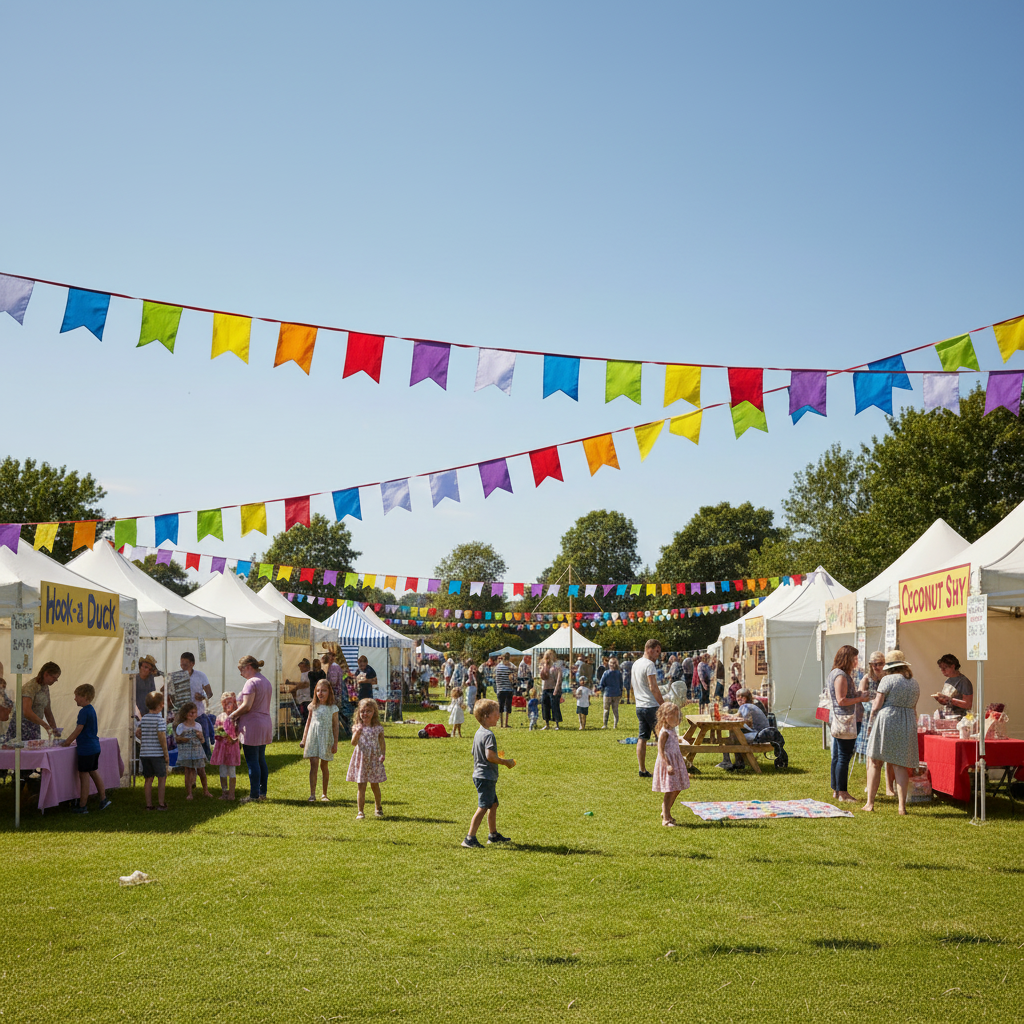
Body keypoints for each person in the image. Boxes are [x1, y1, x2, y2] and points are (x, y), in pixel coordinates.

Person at [863, 650, 921, 815]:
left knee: (875, 761)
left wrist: (871, 719)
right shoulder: (914, 683)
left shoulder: (887, 679)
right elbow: (914, 708)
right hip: (907, 720)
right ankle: (902, 807)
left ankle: (870, 803)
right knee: (900, 765)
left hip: (888, 719)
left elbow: (876, 705)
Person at [461, 698, 515, 848]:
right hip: (486, 777)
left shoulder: (479, 733)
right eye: (495, 713)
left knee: (493, 804)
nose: (498, 716)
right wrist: (505, 761)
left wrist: (497, 757)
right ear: (486, 716)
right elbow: (490, 757)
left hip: (480, 775)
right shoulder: (489, 735)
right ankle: (469, 838)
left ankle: (493, 835)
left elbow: (475, 753)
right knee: (483, 806)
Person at [827, 645, 872, 803]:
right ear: (847, 659)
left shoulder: (837, 674)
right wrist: (860, 698)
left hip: (842, 720)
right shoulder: (841, 676)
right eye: (854, 658)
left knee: (838, 756)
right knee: (843, 757)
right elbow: (842, 700)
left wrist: (859, 694)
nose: (856, 662)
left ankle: (837, 790)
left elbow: (845, 696)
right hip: (846, 721)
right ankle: (843, 793)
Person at [229, 656, 274, 804]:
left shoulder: (251, 682)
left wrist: (233, 715)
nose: (241, 674)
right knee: (261, 759)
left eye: (241, 670)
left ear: (248, 666)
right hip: (265, 723)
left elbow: (247, 706)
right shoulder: (266, 681)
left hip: (252, 725)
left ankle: (254, 795)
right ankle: (262, 792)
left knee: (252, 760)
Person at [62, 683, 111, 814]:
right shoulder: (91, 710)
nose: (75, 699)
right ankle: (103, 799)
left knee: (84, 776)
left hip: (86, 749)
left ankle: (82, 805)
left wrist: (67, 742)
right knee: (94, 772)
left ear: (85, 697)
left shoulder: (83, 711)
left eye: (77, 696)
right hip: (94, 747)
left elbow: (79, 729)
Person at [347, 697, 386, 819]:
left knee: (375, 784)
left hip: (374, 759)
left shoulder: (377, 728)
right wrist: (357, 733)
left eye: (368, 711)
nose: (365, 714)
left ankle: (378, 807)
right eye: (363, 711)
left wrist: (383, 754)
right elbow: (353, 743)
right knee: (361, 785)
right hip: (361, 758)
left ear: (374, 712)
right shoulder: (357, 727)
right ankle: (360, 811)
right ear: (359, 712)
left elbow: (382, 742)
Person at [652, 702, 690, 825]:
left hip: (676, 760)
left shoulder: (671, 729)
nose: (677, 719)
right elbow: (661, 750)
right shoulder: (664, 732)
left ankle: (665, 810)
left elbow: (673, 739)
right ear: (665, 717)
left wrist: (680, 739)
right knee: (670, 789)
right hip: (668, 762)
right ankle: (666, 818)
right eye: (674, 716)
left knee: (677, 788)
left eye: (678, 715)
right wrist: (667, 764)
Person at [301, 679, 339, 802]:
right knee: (313, 764)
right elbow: (308, 722)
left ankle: (324, 794)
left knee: (324, 765)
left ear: (329, 692)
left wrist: (335, 743)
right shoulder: (313, 706)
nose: (320, 693)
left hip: (326, 738)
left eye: (323, 690)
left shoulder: (332, 708)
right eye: (318, 690)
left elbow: (335, 726)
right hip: (313, 737)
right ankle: (312, 794)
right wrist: (304, 739)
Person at [633, 639, 666, 777]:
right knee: (662, 737)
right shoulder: (649, 664)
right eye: (657, 651)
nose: (658, 654)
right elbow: (653, 687)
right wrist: (664, 705)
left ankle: (642, 770)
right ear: (649, 649)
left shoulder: (636, 663)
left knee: (643, 738)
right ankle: (664, 769)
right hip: (651, 706)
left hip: (639, 706)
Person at [136, 690, 169, 810]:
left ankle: (148, 804)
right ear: (161, 705)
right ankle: (161, 803)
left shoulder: (144, 719)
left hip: (145, 753)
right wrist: (166, 753)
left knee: (148, 779)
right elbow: (162, 736)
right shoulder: (160, 720)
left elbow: (138, 733)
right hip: (157, 754)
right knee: (162, 778)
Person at [726, 688, 770, 771]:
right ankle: (739, 762)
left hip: (759, 735)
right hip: (765, 733)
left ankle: (737, 763)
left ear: (744, 698)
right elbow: (738, 715)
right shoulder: (749, 705)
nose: (737, 700)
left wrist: (734, 719)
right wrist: (728, 716)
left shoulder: (746, 706)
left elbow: (747, 721)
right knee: (735, 734)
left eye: (738, 698)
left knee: (735, 738)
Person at [180, 652, 214, 759]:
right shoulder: (178, 676)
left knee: (203, 736)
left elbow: (210, 693)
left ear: (192, 664)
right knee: (184, 737)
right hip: (183, 714)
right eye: (181, 664)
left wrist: (203, 696)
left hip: (199, 713)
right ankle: (186, 759)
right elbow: (167, 689)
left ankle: (207, 758)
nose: (183, 667)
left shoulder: (200, 675)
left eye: (185, 664)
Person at [174, 701, 210, 800]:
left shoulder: (198, 725)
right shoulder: (181, 726)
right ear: (185, 714)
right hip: (186, 752)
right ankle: (189, 793)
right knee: (188, 771)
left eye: (194, 712)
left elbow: (202, 741)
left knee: (201, 771)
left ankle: (206, 791)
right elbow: (176, 739)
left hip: (197, 751)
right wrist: (183, 739)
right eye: (191, 712)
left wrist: (200, 736)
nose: (193, 714)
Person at [210, 691, 241, 800]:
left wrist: (234, 738)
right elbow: (217, 732)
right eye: (225, 703)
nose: (227, 706)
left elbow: (240, 730)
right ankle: (224, 792)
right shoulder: (220, 717)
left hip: (232, 747)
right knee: (222, 770)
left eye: (230, 703)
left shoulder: (236, 717)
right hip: (222, 747)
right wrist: (224, 736)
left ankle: (232, 793)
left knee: (231, 770)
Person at [20, 661, 60, 741]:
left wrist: (55, 730)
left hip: (34, 726)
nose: (56, 680)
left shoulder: (45, 687)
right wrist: (46, 726)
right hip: (22, 727)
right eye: (54, 678)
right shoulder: (30, 687)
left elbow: (48, 711)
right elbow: (27, 712)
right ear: (46, 674)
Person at [933, 654, 973, 719]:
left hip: (959, 719)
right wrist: (941, 700)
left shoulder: (964, 681)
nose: (942, 670)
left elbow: (968, 705)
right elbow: (947, 702)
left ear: (953, 666)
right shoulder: (947, 681)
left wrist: (950, 700)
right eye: (941, 668)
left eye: (945, 667)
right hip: (947, 717)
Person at [601, 657, 623, 729]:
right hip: (616, 693)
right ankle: (615, 725)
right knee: (615, 710)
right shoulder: (619, 673)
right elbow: (621, 684)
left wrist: (601, 689)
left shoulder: (606, 673)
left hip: (607, 693)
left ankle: (605, 724)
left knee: (606, 710)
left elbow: (602, 683)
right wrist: (621, 692)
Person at [134, 654, 159, 719]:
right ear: (140, 667)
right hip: (136, 713)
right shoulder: (134, 679)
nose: (147, 670)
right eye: (145, 667)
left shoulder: (150, 678)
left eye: (150, 669)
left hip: (148, 713)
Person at [494, 654, 515, 728]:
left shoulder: (497, 667)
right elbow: (514, 672)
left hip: (500, 689)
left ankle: (501, 724)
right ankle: (506, 723)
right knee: (507, 706)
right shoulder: (509, 667)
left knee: (501, 707)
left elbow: (495, 677)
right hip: (508, 688)